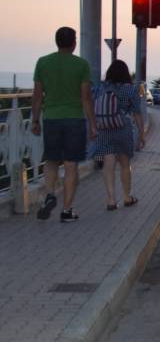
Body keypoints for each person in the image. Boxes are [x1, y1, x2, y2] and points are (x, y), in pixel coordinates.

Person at [30, 27, 97, 222]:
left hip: (51, 118)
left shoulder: (43, 62)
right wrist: (92, 124)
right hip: (74, 120)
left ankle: (50, 194)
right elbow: (86, 97)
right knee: (70, 165)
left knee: (51, 161)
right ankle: (67, 210)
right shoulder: (81, 65)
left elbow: (37, 95)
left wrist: (35, 120)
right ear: (74, 43)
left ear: (56, 42)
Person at [91, 60, 146, 210]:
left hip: (104, 128)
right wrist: (141, 133)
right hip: (123, 127)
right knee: (124, 163)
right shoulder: (131, 89)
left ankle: (111, 199)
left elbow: (91, 105)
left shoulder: (100, 88)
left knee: (108, 164)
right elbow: (136, 112)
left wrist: (92, 127)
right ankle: (127, 197)